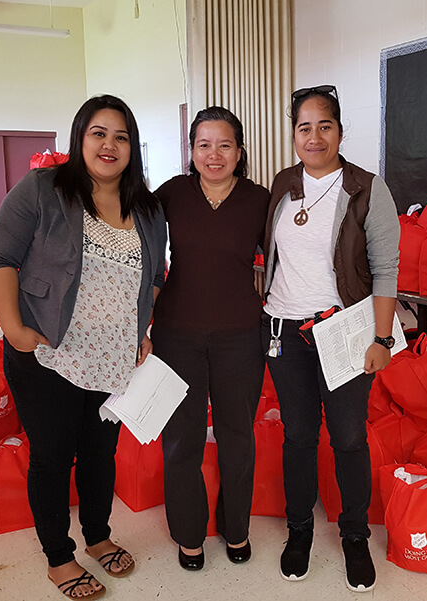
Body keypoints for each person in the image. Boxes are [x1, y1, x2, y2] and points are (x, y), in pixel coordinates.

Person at [0, 95, 166, 600]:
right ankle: (58, 557)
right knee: (52, 455)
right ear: (79, 137)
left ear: (132, 147)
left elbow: (154, 278)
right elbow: (0, 257)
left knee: (99, 454)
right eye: (98, 133)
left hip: (112, 356)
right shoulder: (44, 189)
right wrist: (16, 330)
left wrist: (141, 328)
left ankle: (98, 534)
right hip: (49, 351)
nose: (109, 145)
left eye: (121, 136)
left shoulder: (147, 209)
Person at [261, 85, 399, 592]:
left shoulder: (366, 188)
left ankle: (355, 536)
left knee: (347, 437)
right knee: (297, 435)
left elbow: (386, 270)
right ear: (293, 134)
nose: (314, 137)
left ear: (340, 131)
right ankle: (299, 531)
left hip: (344, 332)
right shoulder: (280, 185)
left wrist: (381, 339)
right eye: (304, 127)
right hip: (283, 331)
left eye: (325, 126)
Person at [151, 106, 269, 571]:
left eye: (224, 145)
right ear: (191, 150)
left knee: (238, 435)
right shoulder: (171, 195)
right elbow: (132, 242)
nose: (214, 154)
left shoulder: (260, 199)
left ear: (240, 152)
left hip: (241, 334)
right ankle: (189, 535)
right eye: (204, 144)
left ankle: (236, 528)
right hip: (177, 333)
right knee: (182, 439)